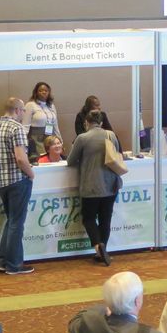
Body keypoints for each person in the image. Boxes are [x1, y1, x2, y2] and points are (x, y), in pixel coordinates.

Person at [0, 97, 35, 275]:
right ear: (18, 110)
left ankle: (2, 261)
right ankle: (14, 265)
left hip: (1, 182)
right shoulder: (17, 128)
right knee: (16, 223)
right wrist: (31, 174)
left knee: (11, 221)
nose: (23, 115)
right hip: (17, 180)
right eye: (23, 111)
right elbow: (21, 158)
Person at [67, 110, 124, 267]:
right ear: (101, 122)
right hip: (111, 184)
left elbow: (70, 161)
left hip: (91, 185)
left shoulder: (83, 138)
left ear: (86, 122)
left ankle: (98, 245)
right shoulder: (110, 135)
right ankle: (102, 250)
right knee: (105, 219)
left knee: (89, 218)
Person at [23, 81, 59, 159]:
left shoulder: (51, 106)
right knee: (41, 158)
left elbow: (55, 125)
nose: (43, 92)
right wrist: (24, 142)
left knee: (51, 158)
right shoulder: (30, 105)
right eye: (40, 90)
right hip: (36, 137)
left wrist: (60, 139)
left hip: (50, 136)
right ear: (36, 92)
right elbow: (25, 125)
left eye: (46, 91)